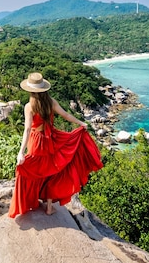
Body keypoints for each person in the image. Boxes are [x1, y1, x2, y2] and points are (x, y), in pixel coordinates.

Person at [8, 72, 103, 218]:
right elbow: (66, 115)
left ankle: (29, 201)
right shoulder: (51, 102)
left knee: (29, 170)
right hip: (52, 139)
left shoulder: (29, 106)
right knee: (52, 170)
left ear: (31, 90)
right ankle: (49, 207)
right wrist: (81, 123)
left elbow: (27, 129)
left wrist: (21, 152)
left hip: (36, 142)